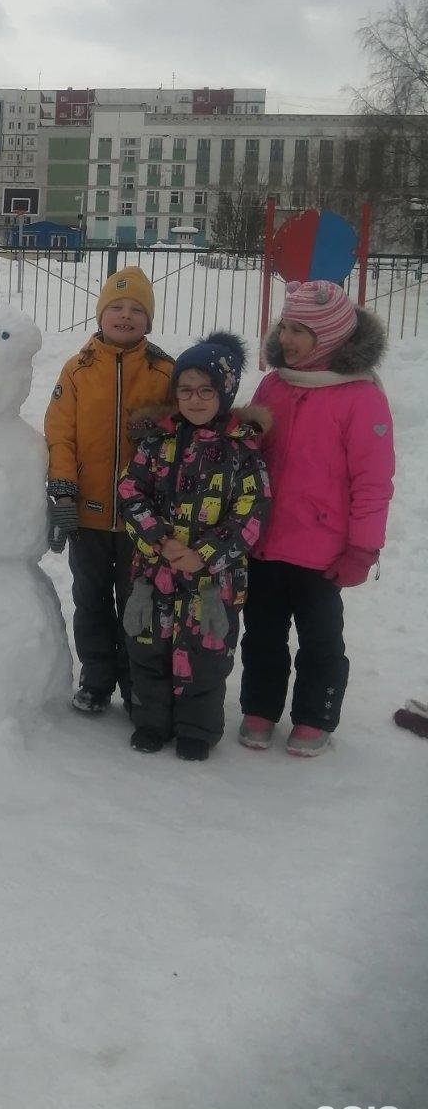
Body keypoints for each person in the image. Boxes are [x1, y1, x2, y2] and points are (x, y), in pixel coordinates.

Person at [237, 281, 395, 758]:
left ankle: (315, 714)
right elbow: (251, 450)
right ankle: (260, 707)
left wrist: (363, 548)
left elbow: (372, 481)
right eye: (285, 326)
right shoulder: (275, 383)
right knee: (262, 633)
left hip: (322, 549)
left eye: (301, 330)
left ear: (329, 337)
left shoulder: (360, 397)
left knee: (320, 639)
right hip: (264, 540)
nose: (287, 338)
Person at [117, 332, 271, 760]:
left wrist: (202, 553)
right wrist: (160, 541)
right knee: (148, 645)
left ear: (225, 392)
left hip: (214, 582)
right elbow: (131, 492)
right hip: (154, 571)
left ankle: (197, 730)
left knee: (205, 654)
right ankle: (151, 722)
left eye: (206, 391)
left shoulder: (243, 450)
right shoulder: (157, 442)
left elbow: (251, 512)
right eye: (186, 391)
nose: (195, 400)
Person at [44, 267, 174, 715]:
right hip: (90, 515)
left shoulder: (165, 373)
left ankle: (139, 685)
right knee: (90, 600)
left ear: (149, 320)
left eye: (137, 309)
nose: (125, 315)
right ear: (100, 315)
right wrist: (62, 493)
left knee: (139, 604)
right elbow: (60, 434)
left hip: (145, 522)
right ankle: (97, 678)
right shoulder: (78, 369)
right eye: (116, 307)